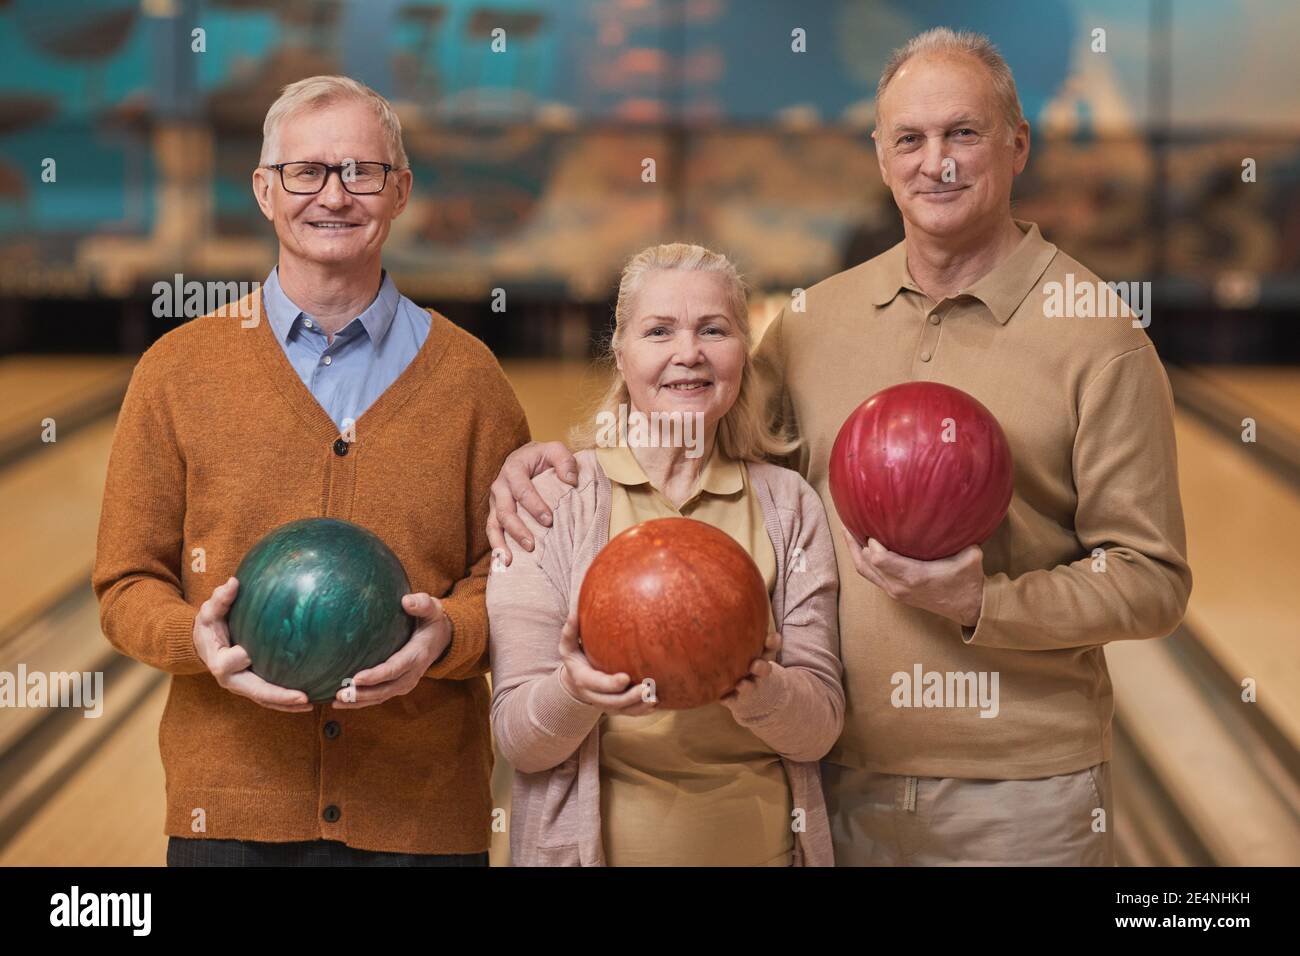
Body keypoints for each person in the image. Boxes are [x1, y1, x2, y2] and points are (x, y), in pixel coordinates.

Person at [485, 30, 1192, 866]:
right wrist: (553, 461)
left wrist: (985, 603)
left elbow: (1152, 579)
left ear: (1018, 142)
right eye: (910, 138)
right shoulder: (816, 322)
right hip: (833, 779)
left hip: (1020, 789)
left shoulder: (1099, 334)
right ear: (882, 156)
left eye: (964, 132)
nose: (939, 163)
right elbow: (698, 431)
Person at [92, 76, 529, 866]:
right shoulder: (177, 371)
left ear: (399, 192)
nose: (334, 195)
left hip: (421, 819)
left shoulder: (472, 380)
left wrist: (449, 636)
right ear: (265, 190)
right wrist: (197, 640)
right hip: (227, 812)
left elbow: (514, 579)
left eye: (362, 172)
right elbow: (126, 583)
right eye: (306, 172)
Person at [486, 243, 843, 866]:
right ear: (621, 354)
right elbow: (520, 739)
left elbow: (819, 729)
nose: (689, 353)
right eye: (659, 331)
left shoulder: (790, 505)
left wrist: (760, 687)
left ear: (743, 352)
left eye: (714, 329)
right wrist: (577, 688)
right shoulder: (550, 504)